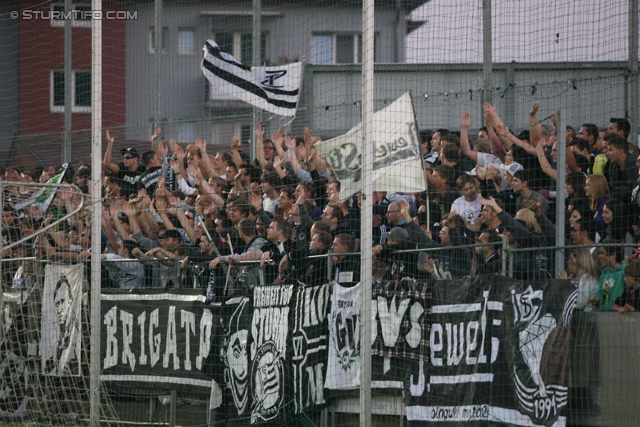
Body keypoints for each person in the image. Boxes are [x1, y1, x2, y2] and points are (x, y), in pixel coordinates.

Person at [48, 275, 80, 375]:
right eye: (57, 304)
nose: (60, 309)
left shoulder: (76, 329)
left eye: (62, 302)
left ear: (70, 301)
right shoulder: (55, 332)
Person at [589, 243, 627, 312]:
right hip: (606, 314)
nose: (599, 257)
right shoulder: (605, 272)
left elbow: (616, 303)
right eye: (599, 253)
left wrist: (601, 307)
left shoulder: (624, 272)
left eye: (602, 253)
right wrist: (596, 301)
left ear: (613, 255)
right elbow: (602, 296)